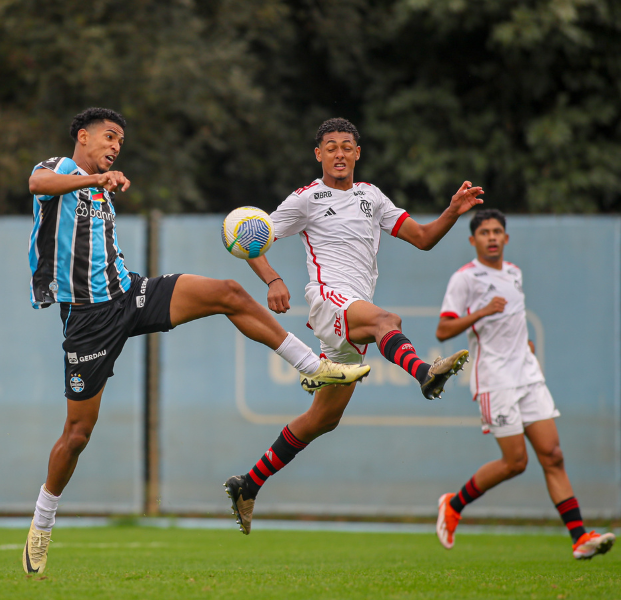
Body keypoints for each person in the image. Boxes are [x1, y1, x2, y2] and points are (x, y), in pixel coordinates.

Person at [21, 108, 371, 574]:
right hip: (89, 319)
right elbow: (36, 184)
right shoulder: (63, 171)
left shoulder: (101, 189)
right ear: (82, 137)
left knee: (227, 292)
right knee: (78, 434)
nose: (115, 146)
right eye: (109, 137)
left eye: (120, 140)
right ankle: (42, 524)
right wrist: (92, 183)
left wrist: (100, 187)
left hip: (130, 292)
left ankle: (313, 366)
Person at [224, 118, 481, 534]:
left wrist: (452, 210)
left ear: (358, 153)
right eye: (331, 146)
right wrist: (272, 279)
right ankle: (424, 373)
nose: (339, 153)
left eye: (347, 146)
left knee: (324, 418)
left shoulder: (372, 197)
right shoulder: (306, 198)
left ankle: (247, 484)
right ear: (319, 155)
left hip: (352, 307)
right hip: (329, 300)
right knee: (386, 320)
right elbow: (248, 236)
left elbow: (422, 237)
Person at [434, 208, 614, 560]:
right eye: (484, 232)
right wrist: (481, 313)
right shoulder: (465, 279)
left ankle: (579, 538)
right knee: (515, 462)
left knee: (553, 456)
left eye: (496, 231)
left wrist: (525, 343)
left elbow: (512, 322)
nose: (491, 237)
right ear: (473, 240)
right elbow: (443, 330)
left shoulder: (515, 273)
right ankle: (453, 504)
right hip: (494, 379)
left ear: (506, 238)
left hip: (527, 375)